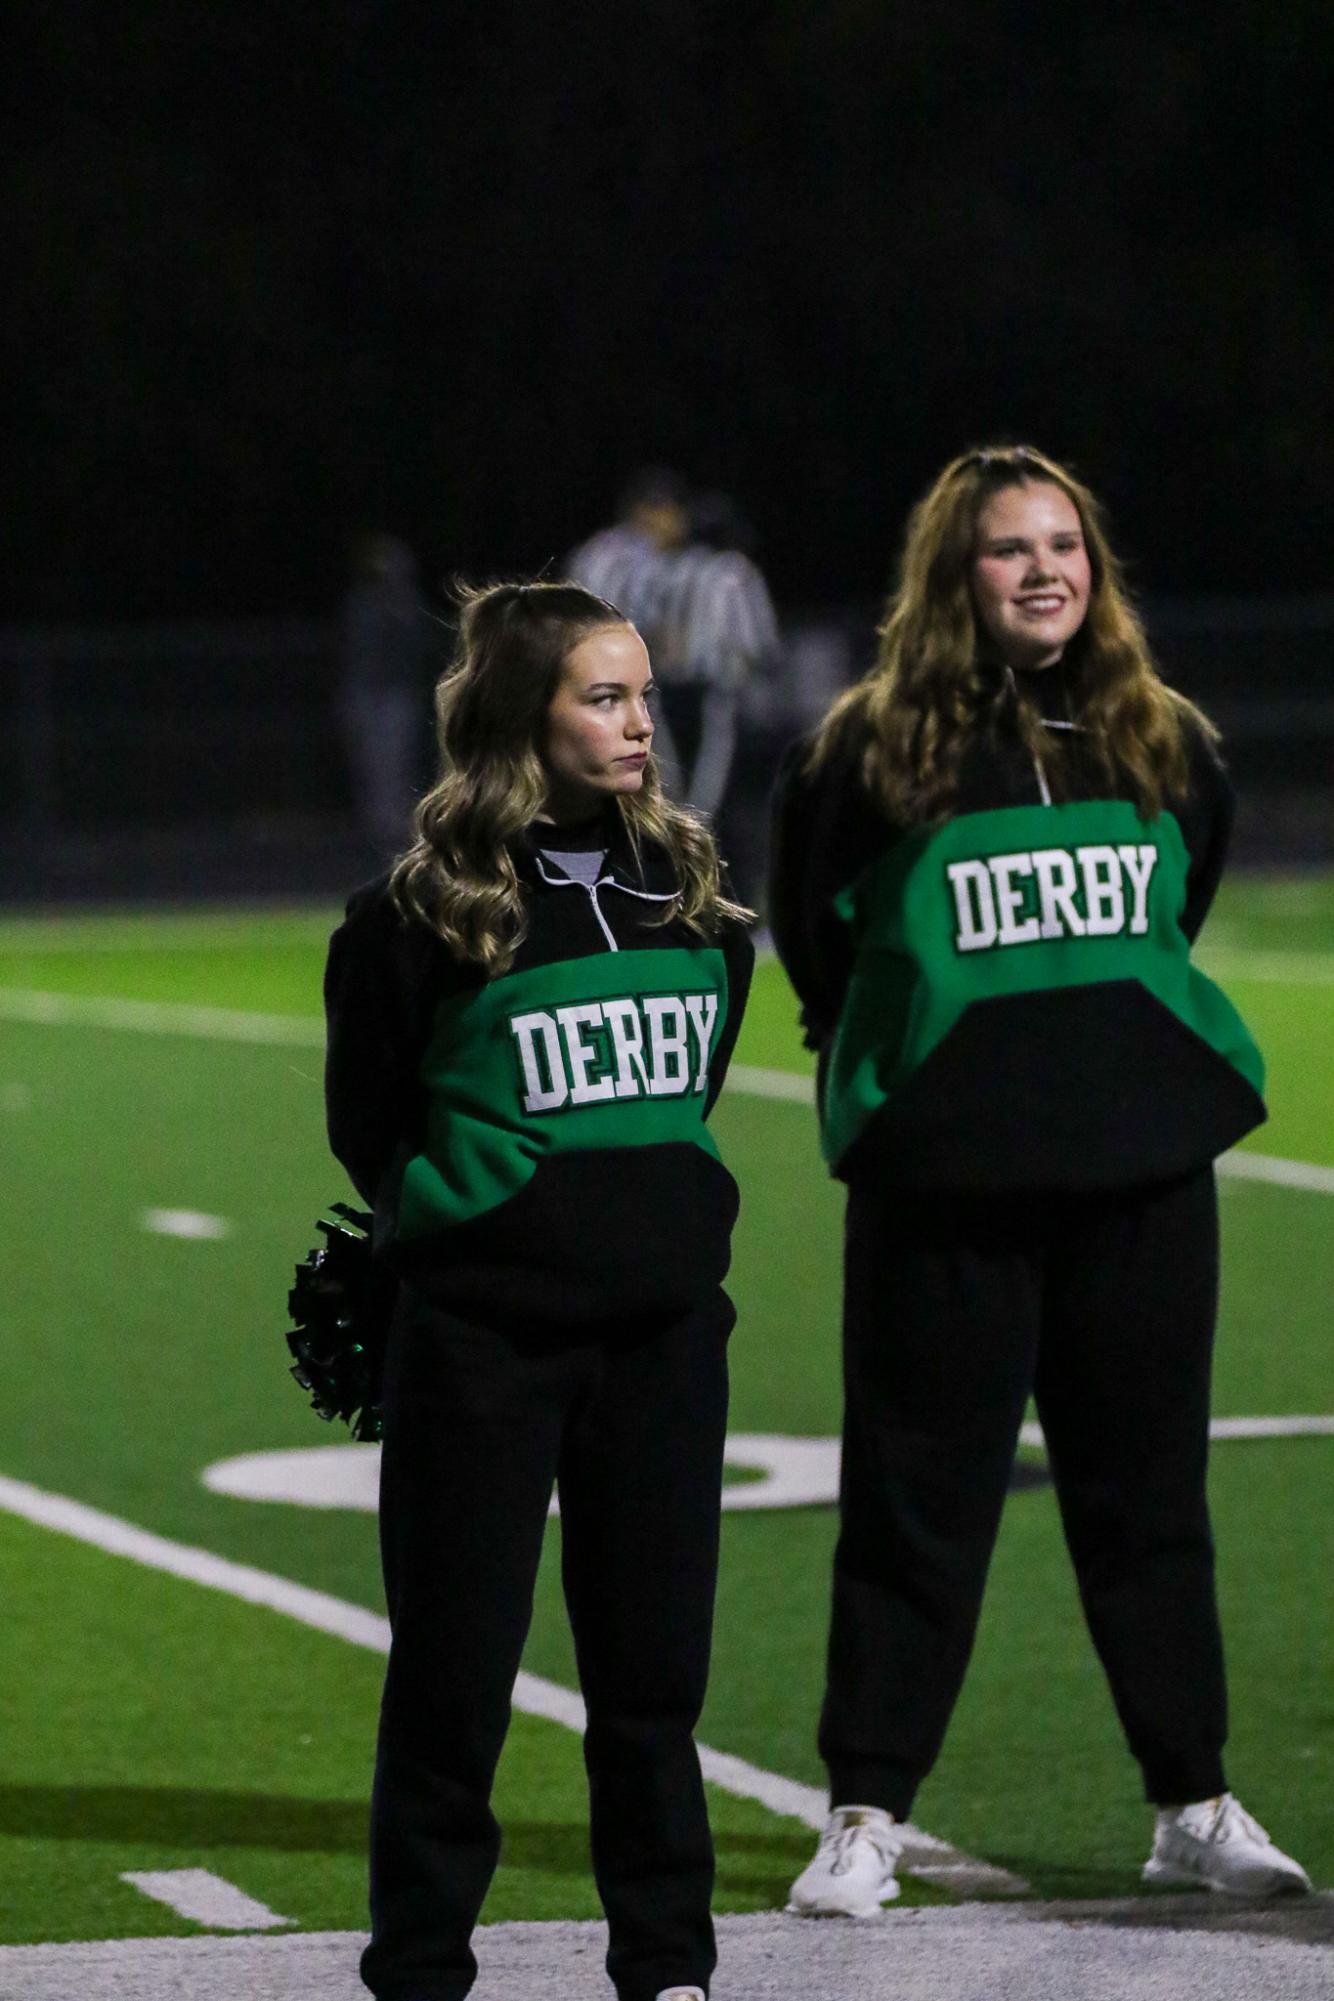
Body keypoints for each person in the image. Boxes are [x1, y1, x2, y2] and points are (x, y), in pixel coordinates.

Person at [769, 444, 1312, 1913]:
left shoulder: (1160, 737)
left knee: (1148, 1504)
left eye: (1064, 543)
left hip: (1138, 1181)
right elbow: (809, 930)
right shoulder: (868, 752)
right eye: (1009, 549)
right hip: (945, 1193)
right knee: (913, 1507)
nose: (1044, 570)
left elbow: (1178, 898)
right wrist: (924, 1077)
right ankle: (865, 1814)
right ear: (956, 574)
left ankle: (1188, 1800)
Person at [324, 579, 754, 2001]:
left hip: (664, 1341)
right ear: (526, 712)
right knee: (452, 1679)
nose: (643, 722)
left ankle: (666, 1964)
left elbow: (690, 1082)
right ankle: (423, 1966)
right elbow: (372, 1123)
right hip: (484, 1344)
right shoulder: (414, 919)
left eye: (643, 695)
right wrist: (477, 1224)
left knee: (650, 1685)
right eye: (606, 697)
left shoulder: (691, 889)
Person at [339, 531, 430, 855]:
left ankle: (395, 829)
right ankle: (377, 828)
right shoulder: (361, 602)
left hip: (394, 695)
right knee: (370, 764)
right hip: (366, 693)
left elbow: (412, 648)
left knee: (397, 762)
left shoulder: (403, 603)